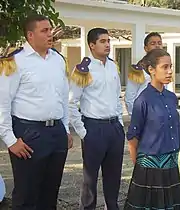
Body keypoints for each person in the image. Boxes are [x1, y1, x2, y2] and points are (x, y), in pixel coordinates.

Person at [0, 14, 72, 209]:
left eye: (50, 29)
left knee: (50, 193)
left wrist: (65, 128)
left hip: (55, 132)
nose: (51, 34)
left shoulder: (57, 59)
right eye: (45, 31)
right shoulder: (15, 61)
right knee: (27, 194)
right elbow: (3, 103)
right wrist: (10, 140)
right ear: (30, 35)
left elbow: (63, 97)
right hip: (29, 133)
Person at [69, 28, 125, 210]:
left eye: (108, 41)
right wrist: (83, 132)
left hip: (113, 128)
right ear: (92, 45)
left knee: (113, 176)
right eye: (102, 41)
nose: (107, 44)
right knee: (90, 178)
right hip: (93, 127)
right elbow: (71, 103)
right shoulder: (83, 70)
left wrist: (120, 124)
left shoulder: (113, 66)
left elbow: (117, 97)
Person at [124, 49, 180, 209]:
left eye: (171, 66)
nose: (170, 71)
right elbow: (133, 137)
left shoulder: (172, 98)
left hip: (171, 164)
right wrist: (141, 166)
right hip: (149, 167)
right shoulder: (143, 100)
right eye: (164, 67)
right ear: (151, 69)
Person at [125, 32, 163, 116]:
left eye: (159, 43)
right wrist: (137, 117)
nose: (157, 46)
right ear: (146, 48)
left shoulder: (165, 69)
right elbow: (129, 98)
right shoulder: (138, 70)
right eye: (153, 43)